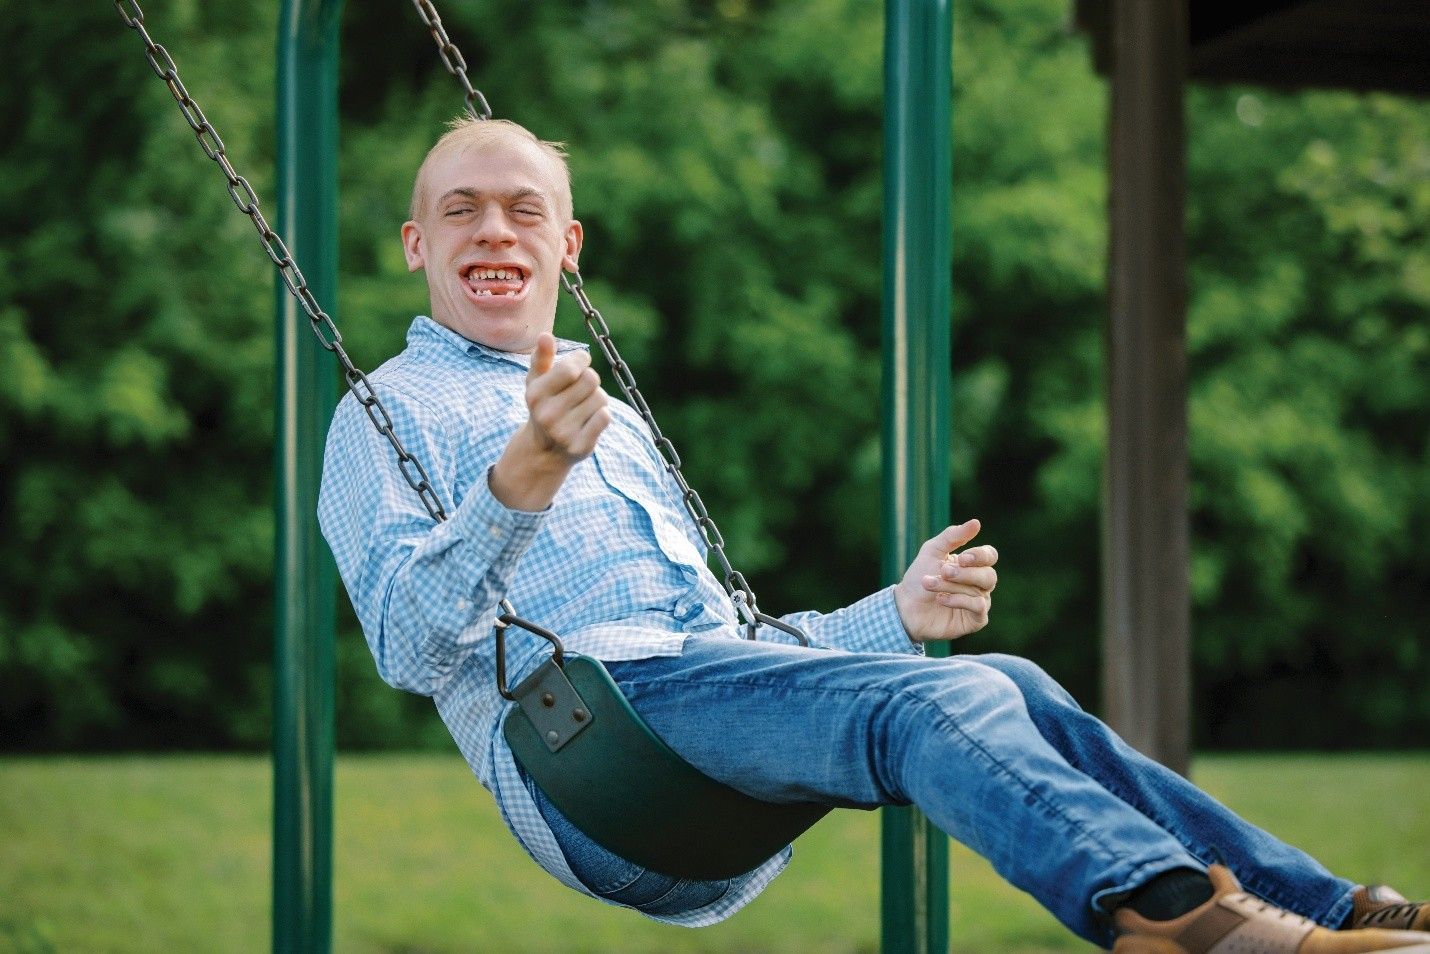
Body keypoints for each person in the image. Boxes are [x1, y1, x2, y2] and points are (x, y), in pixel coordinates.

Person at [317, 117, 1430, 953]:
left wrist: (890, 617)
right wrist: (523, 477)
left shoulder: (610, 417)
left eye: (522, 208)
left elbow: (733, 656)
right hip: (593, 751)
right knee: (940, 705)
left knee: (1009, 680)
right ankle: (1174, 918)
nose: (492, 228)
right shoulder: (385, 413)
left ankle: (1326, 910)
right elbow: (408, 648)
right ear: (415, 245)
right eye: (460, 209)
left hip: (688, 726)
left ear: (569, 247)